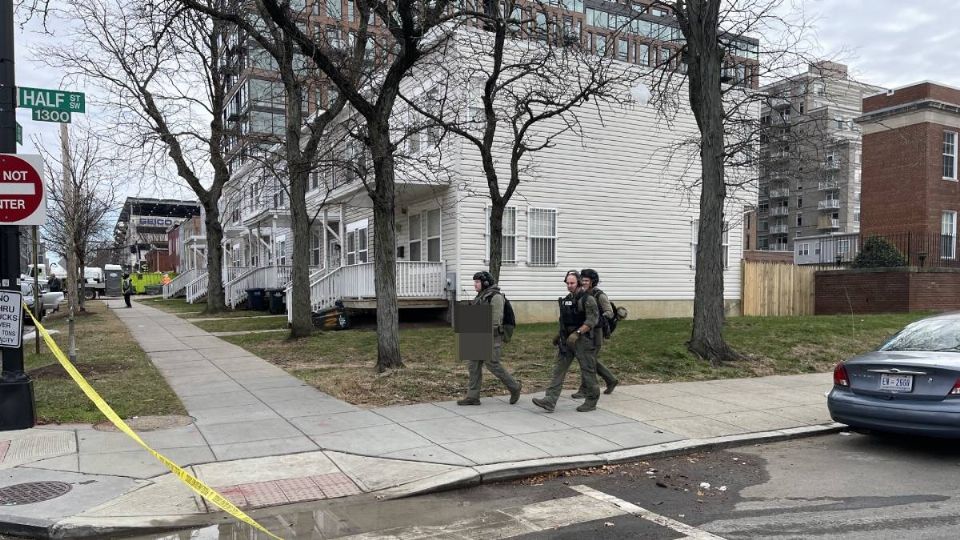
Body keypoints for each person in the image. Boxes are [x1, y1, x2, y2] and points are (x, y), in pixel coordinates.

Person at [533, 270, 601, 413]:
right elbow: (564, 320)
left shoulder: (587, 299)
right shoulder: (567, 299)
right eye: (567, 283)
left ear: (579, 282)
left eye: (572, 283)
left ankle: (592, 400)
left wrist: (577, 333)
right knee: (559, 370)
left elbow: (592, 320)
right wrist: (559, 335)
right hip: (566, 340)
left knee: (588, 371)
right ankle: (550, 400)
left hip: (583, 340)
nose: (569, 285)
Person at [458, 271, 522, 406]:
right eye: (474, 282)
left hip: (491, 335)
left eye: (477, 282)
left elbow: (496, 320)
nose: (474, 284)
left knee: (492, 364)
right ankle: (472, 396)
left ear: (485, 283)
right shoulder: (481, 296)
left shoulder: (496, 296)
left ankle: (514, 387)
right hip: (477, 334)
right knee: (473, 365)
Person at [572, 268, 619, 398]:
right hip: (585, 331)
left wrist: (596, 317)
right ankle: (610, 380)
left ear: (593, 281)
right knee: (589, 360)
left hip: (597, 333)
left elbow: (609, 312)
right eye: (582, 280)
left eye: (586, 280)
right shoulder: (581, 293)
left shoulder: (600, 295)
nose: (584, 282)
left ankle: (585, 389)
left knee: (587, 361)